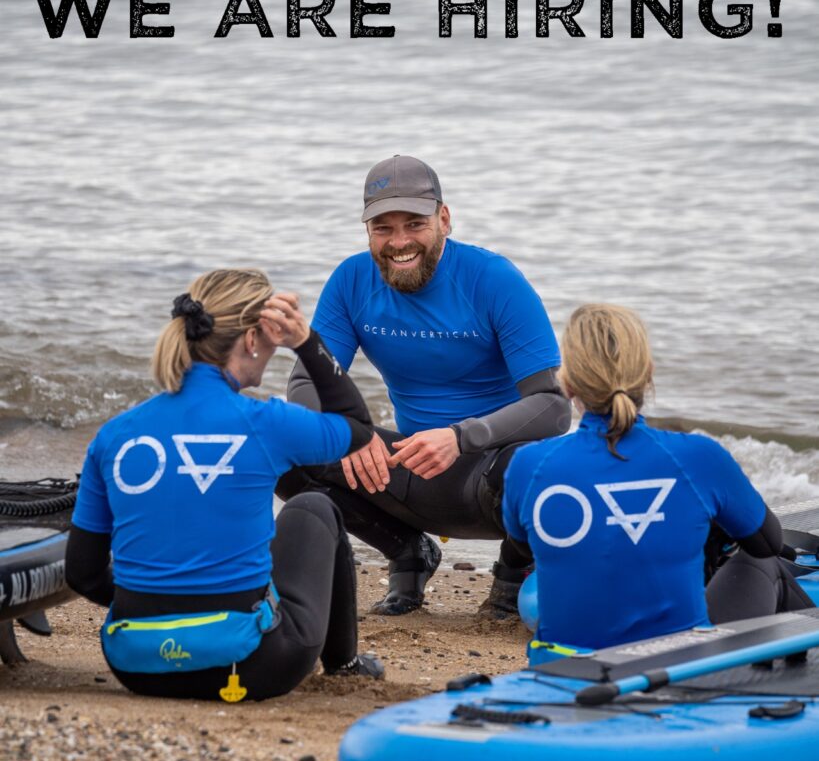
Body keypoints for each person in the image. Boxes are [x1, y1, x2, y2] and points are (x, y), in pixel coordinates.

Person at [66, 268, 384, 701]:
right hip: (252, 666)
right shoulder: (266, 423)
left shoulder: (116, 435)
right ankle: (344, 664)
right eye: (271, 339)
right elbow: (358, 428)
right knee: (313, 508)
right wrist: (306, 341)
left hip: (137, 666)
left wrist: (164, 616)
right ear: (252, 339)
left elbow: (82, 575)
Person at [278, 155, 571, 616]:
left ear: (444, 219)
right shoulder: (351, 280)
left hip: (493, 480)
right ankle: (406, 554)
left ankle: (513, 577)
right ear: (367, 230)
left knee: (538, 463)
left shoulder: (493, 279)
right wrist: (347, 433)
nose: (399, 242)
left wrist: (462, 437)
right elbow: (305, 381)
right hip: (405, 475)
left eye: (414, 223)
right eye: (383, 228)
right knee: (281, 444)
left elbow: (553, 408)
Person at [502, 303, 812, 660]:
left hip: (560, 665)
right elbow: (767, 542)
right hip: (674, 669)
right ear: (648, 373)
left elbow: (521, 548)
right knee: (764, 565)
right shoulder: (699, 457)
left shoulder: (529, 463)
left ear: (568, 383)